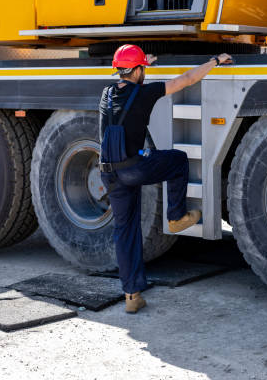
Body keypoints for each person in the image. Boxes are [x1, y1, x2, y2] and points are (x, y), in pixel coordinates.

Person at [98, 44, 232, 314]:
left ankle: (132, 295)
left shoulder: (106, 93)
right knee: (178, 160)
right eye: (142, 69)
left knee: (125, 231)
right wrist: (215, 60)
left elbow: (130, 78)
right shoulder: (146, 93)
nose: (145, 73)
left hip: (109, 172)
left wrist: (142, 63)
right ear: (136, 71)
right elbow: (187, 80)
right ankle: (175, 216)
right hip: (135, 168)